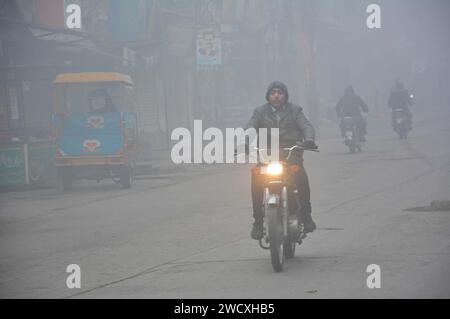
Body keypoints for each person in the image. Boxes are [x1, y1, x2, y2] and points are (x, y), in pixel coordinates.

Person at [245, 81, 318, 240]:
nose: (276, 95)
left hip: (291, 154)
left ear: (285, 95)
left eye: (279, 92)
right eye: (273, 93)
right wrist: (244, 142)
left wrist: (309, 139)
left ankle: (306, 216)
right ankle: (258, 221)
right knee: (256, 178)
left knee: (300, 178)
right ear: (268, 96)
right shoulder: (259, 112)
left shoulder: (295, 110)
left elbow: (306, 126)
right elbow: (250, 127)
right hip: (267, 155)